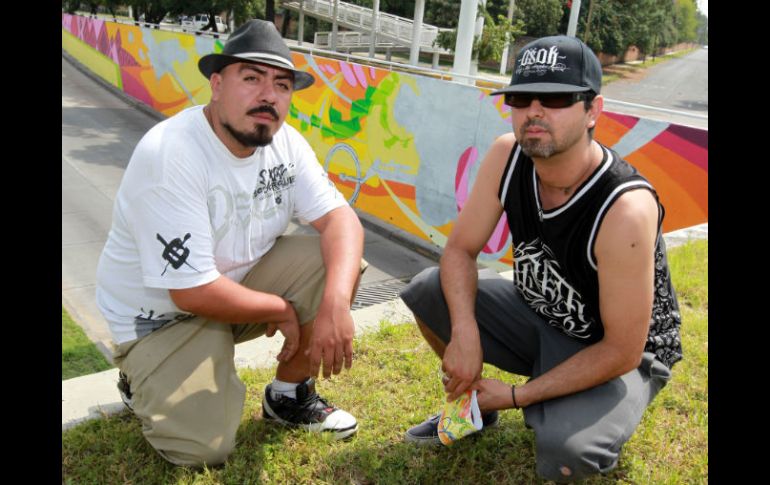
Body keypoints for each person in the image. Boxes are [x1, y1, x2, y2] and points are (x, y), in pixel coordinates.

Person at [399, 35, 682, 482]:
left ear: (593, 110)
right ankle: (473, 409)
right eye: (520, 98)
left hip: (620, 353)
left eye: (555, 98)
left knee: (569, 451)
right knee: (428, 290)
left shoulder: (625, 208)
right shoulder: (507, 155)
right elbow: (459, 250)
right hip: (546, 315)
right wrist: (465, 331)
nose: (534, 111)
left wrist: (517, 395)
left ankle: (566, 408)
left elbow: (623, 349)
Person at [96, 19, 366, 467]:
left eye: (282, 84)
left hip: (235, 283)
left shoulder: (286, 144)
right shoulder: (171, 153)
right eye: (252, 78)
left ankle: (289, 395)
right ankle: (139, 377)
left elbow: (342, 220)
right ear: (217, 85)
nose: (268, 95)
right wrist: (280, 309)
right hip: (161, 317)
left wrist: (336, 302)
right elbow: (190, 292)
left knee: (338, 262)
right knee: (205, 448)